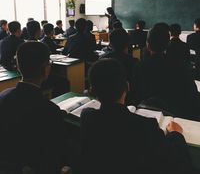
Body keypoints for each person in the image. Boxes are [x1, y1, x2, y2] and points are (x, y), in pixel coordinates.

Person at [80, 58, 191, 174]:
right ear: (127, 87)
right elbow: (177, 164)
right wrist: (176, 134)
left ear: (92, 90)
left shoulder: (87, 116)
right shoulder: (147, 127)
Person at [0, 42, 69, 174]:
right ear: (45, 68)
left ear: (18, 65)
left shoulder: (3, 96)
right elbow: (57, 156)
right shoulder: (50, 110)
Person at [134, 26, 200, 120]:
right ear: (168, 44)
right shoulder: (180, 66)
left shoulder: (139, 66)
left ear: (147, 45)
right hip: (177, 115)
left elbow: (136, 94)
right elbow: (192, 94)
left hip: (147, 114)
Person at [101, 29, 138, 104]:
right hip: (127, 101)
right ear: (128, 43)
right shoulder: (134, 62)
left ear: (110, 44)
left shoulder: (102, 59)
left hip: (104, 98)